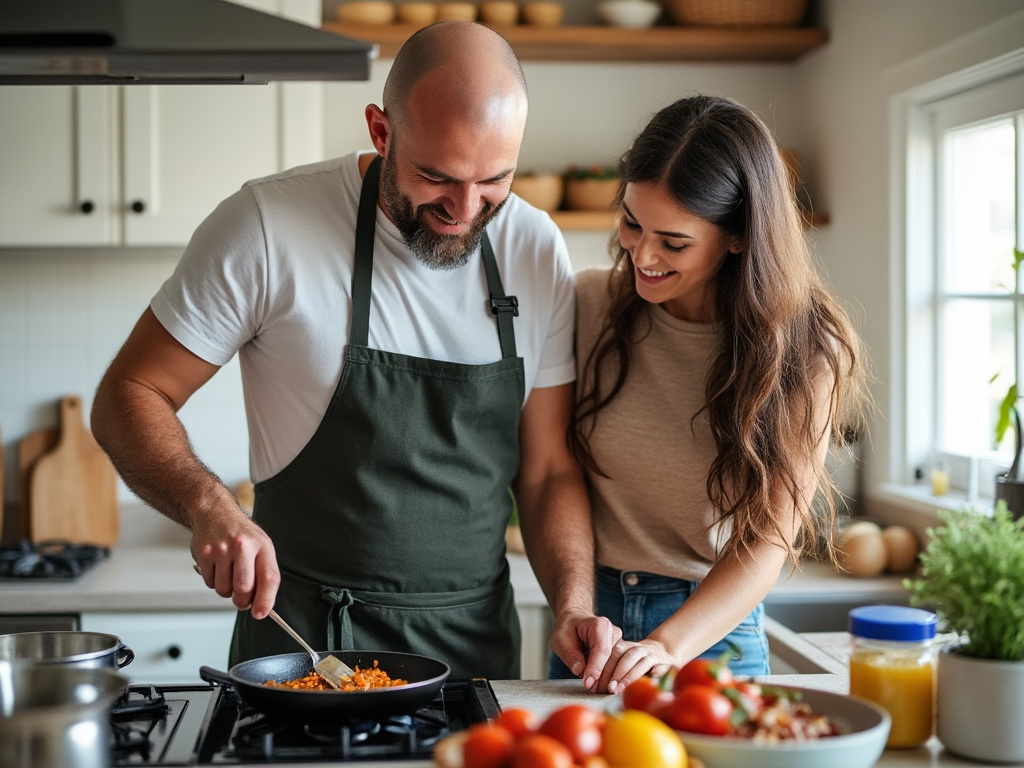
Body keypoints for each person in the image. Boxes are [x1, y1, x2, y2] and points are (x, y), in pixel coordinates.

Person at [91, 21, 618, 682]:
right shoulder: (267, 226)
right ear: (380, 129)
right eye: (437, 177)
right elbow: (128, 394)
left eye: (494, 181)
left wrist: (573, 604)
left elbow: (545, 471)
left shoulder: (533, 246)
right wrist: (208, 506)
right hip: (305, 655)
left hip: (477, 656)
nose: (464, 208)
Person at [551, 95, 870, 693]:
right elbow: (553, 469)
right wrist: (573, 605)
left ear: (738, 238)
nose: (641, 256)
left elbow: (769, 537)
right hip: (595, 633)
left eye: (673, 243)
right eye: (630, 223)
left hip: (713, 635)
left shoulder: (808, 347)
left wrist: (667, 646)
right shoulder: (587, 304)